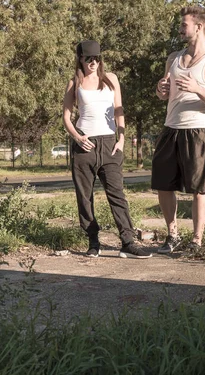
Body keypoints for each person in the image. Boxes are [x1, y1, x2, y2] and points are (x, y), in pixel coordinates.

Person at [62, 40, 151, 259]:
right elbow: (66, 116)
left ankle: (128, 241)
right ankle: (93, 241)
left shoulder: (111, 79)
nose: (94, 62)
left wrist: (121, 139)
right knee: (85, 196)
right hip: (85, 145)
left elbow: (119, 111)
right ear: (80, 59)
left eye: (97, 58)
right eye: (89, 58)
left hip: (110, 144)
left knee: (117, 194)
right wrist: (77, 137)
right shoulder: (74, 82)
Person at [153, 6, 205, 253]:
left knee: (198, 189)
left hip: (196, 130)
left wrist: (198, 89)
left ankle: (196, 240)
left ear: (198, 27)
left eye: (184, 24)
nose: (180, 28)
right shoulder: (173, 58)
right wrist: (160, 91)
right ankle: (172, 235)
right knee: (164, 185)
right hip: (170, 128)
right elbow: (164, 92)